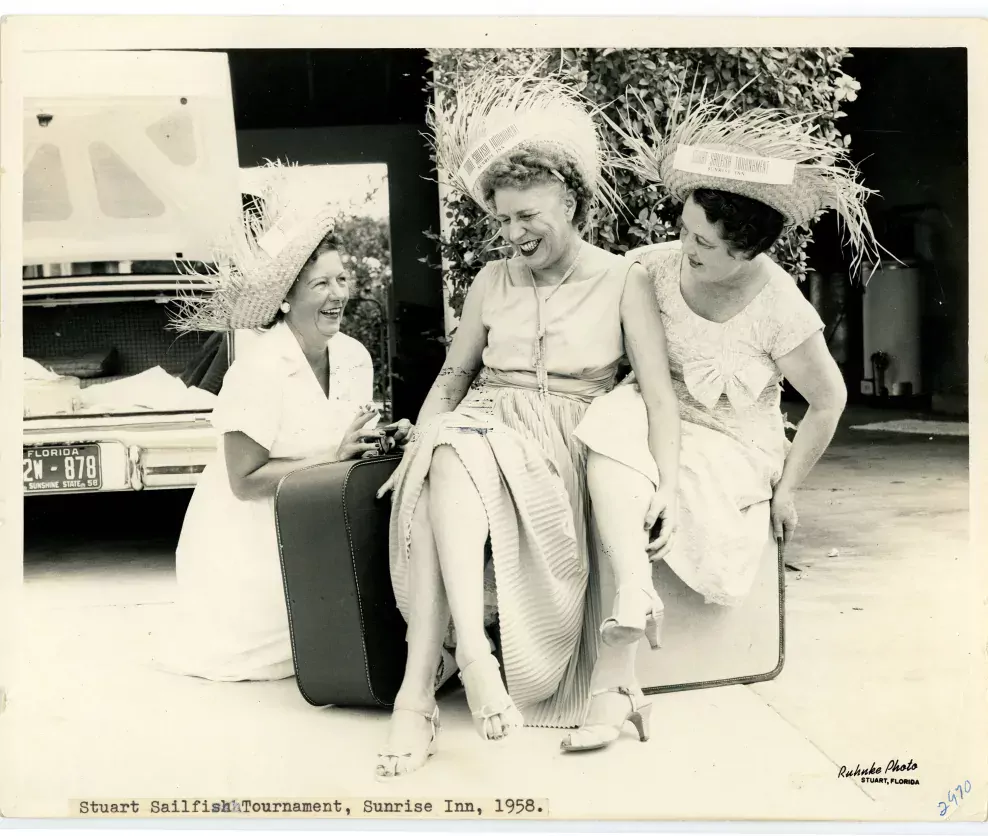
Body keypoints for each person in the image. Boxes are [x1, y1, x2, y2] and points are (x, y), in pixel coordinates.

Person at [374, 71, 681, 778]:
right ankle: (462, 670)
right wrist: (419, 441)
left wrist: (663, 480)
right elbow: (455, 378)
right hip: (483, 428)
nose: (513, 235)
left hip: (561, 445)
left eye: (528, 218)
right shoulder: (491, 279)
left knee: (452, 458)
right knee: (443, 456)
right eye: (503, 221)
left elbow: (659, 397)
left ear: (570, 203)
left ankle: (419, 695)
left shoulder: (622, 280)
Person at [564, 96, 884, 750]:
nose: (685, 248)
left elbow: (828, 400)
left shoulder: (780, 308)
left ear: (746, 248)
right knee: (606, 431)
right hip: (653, 407)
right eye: (683, 230)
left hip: (735, 437)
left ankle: (615, 683)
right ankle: (631, 602)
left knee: (665, 472)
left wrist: (789, 487)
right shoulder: (653, 267)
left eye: (703, 243)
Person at [158, 164, 403, 682]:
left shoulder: (356, 356)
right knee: (286, 653)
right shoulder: (258, 367)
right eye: (320, 283)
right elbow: (243, 481)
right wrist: (333, 456)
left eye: (342, 278)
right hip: (246, 540)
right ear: (287, 298)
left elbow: (347, 445)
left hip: (316, 521)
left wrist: (379, 442)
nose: (338, 293)